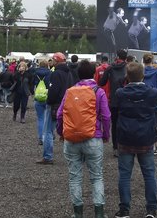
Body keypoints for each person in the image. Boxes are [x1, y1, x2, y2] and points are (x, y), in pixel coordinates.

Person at [57, 60, 111, 218]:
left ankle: (78, 213)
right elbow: (106, 116)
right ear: (94, 73)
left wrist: (62, 133)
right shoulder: (98, 91)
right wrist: (106, 134)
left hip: (71, 139)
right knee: (96, 176)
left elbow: (60, 114)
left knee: (75, 176)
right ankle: (99, 213)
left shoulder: (70, 91)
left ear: (78, 74)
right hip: (93, 137)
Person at [114, 62, 157, 218]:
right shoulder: (152, 93)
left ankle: (124, 209)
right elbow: (155, 110)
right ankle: (151, 209)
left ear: (127, 76)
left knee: (125, 175)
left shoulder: (120, 93)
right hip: (146, 137)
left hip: (126, 137)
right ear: (143, 75)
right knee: (149, 174)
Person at [40, 52, 75, 165]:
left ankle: (47, 156)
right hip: (67, 104)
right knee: (68, 131)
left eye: (53, 60)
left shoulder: (56, 74)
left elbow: (53, 91)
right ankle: (74, 155)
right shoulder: (69, 73)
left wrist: (49, 101)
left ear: (56, 61)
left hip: (55, 105)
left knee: (48, 131)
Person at [98, 49, 128, 157]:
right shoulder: (129, 67)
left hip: (114, 100)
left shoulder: (110, 68)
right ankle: (124, 145)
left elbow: (102, 82)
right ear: (126, 57)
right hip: (126, 100)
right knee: (125, 123)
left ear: (117, 56)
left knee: (114, 124)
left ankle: (116, 147)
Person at [142, 53, 157, 155]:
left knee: (142, 123)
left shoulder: (140, 72)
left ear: (143, 61)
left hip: (141, 101)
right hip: (154, 102)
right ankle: (153, 146)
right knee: (153, 125)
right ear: (152, 61)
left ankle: (141, 145)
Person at [33, 60, 52, 145]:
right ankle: (48, 135)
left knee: (40, 118)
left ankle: (40, 137)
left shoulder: (35, 72)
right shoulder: (50, 73)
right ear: (47, 65)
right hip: (47, 96)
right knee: (48, 119)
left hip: (38, 95)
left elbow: (33, 83)